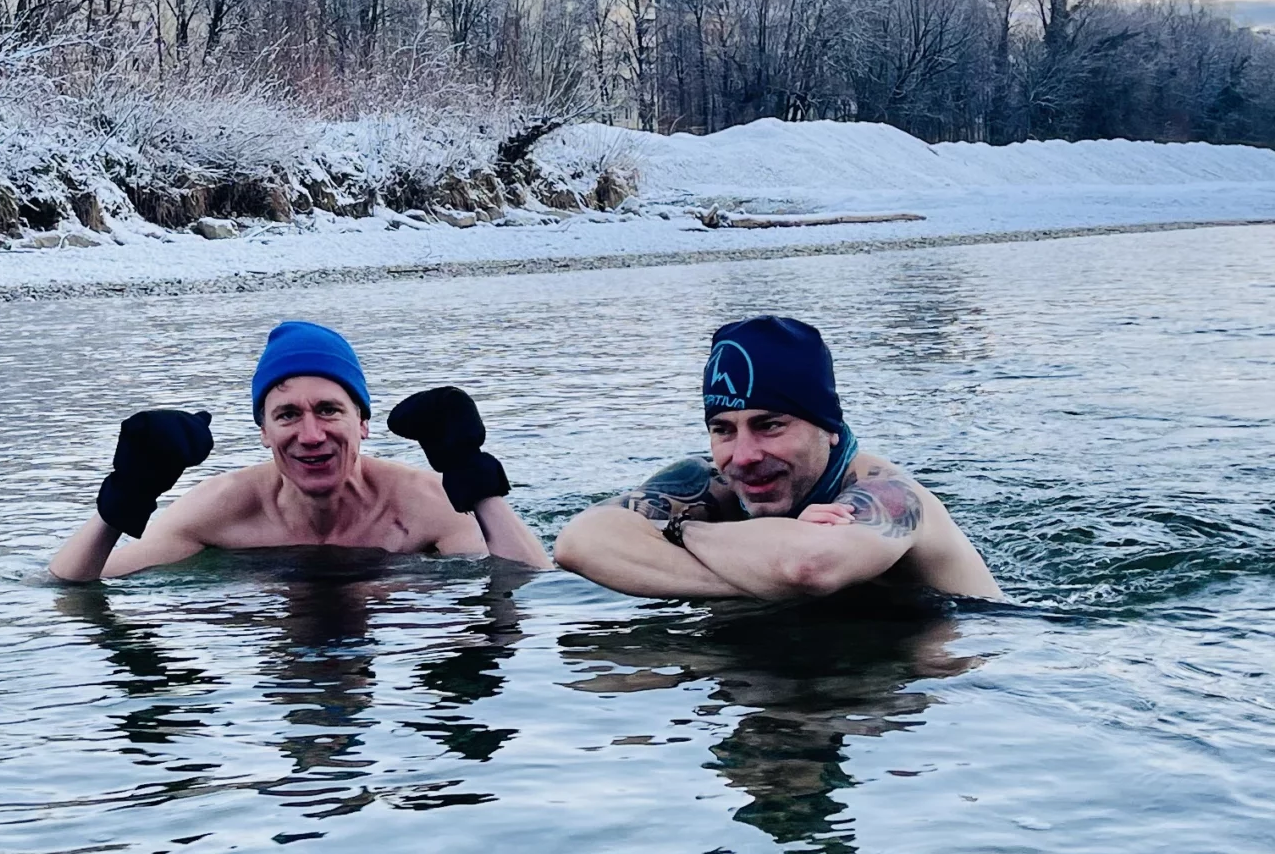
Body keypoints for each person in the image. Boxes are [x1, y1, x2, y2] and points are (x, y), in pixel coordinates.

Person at [553, 312, 1001, 603]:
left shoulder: (888, 494)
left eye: (770, 425)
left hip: (962, 682)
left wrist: (677, 535)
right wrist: (754, 569)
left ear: (828, 427)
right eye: (723, 430)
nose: (744, 456)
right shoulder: (708, 483)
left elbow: (807, 566)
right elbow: (579, 543)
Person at [49, 317, 549, 577]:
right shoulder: (222, 508)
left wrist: (474, 479)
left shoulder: (423, 502)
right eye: (287, 415)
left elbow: (527, 581)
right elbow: (71, 586)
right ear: (264, 432)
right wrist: (127, 495)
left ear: (362, 422)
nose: (311, 435)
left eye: (329, 410)